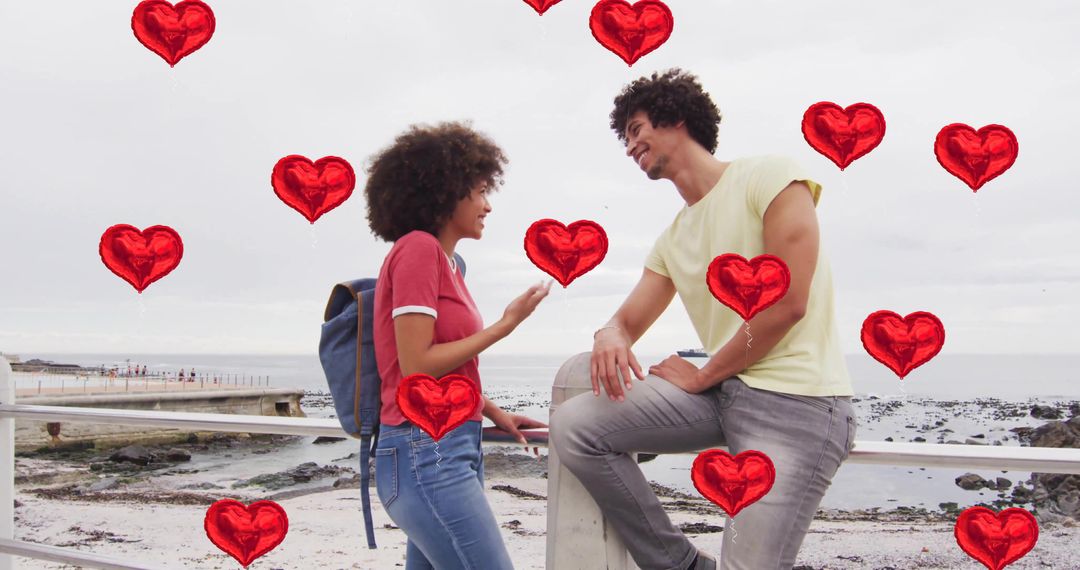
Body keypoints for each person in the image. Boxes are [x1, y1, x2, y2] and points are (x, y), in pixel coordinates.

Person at [549, 69, 857, 570]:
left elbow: (788, 302)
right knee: (576, 427)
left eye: (636, 128)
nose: (630, 146)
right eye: (625, 136)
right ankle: (680, 565)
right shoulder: (673, 236)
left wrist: (706, 373)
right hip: (722, 392)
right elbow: (626, 320)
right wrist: (609, 332)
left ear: (675, 118)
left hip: (798, 404)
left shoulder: (771, 177)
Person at [366, 121, 552, 570]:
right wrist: (505, 325)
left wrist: (492, 411)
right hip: (425, 454)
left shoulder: (447, 263)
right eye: (481, 191)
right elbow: (415, 369)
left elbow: (444, 371)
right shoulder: (417, 250)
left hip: (449, 448)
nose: (488, 205)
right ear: (447, 191)